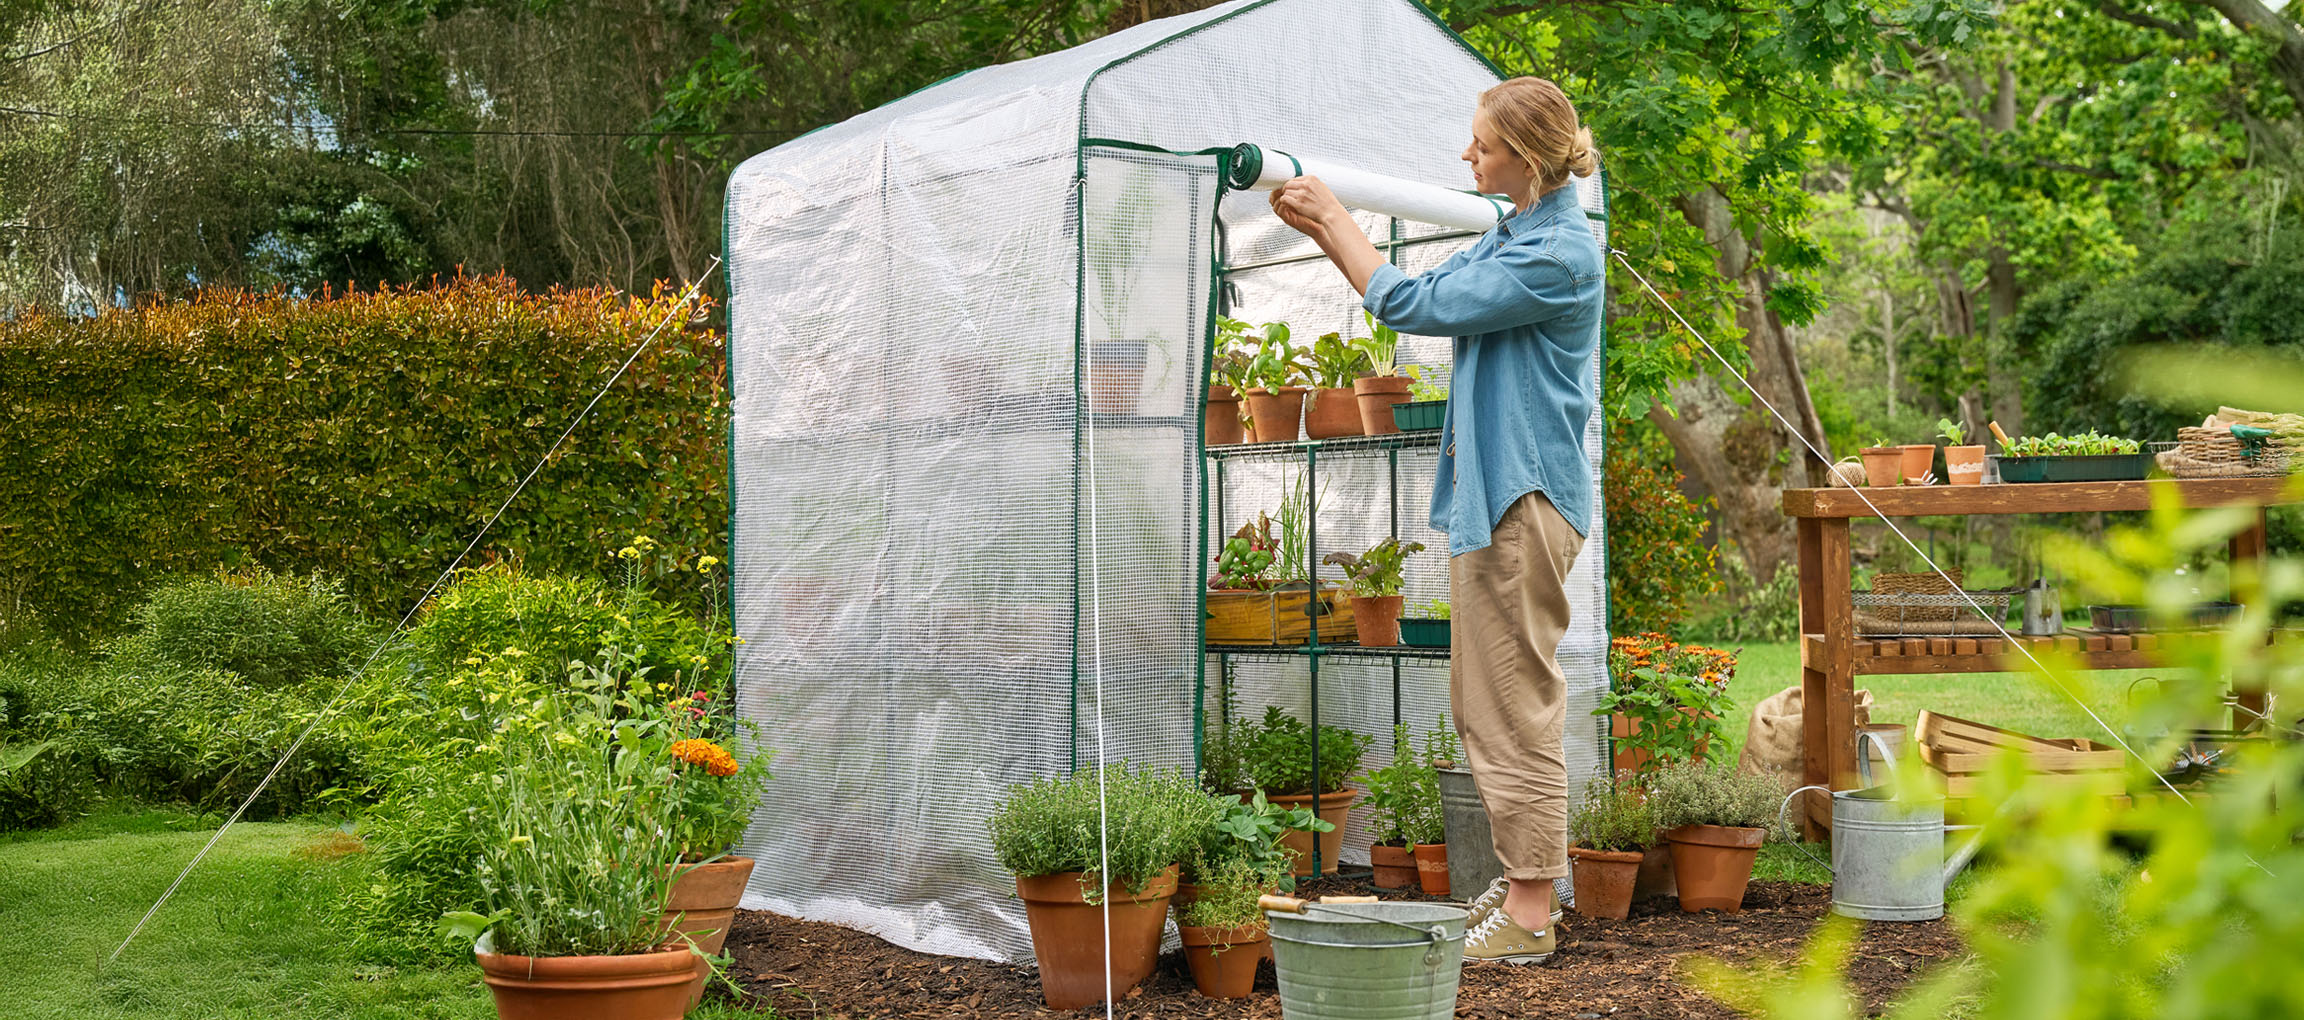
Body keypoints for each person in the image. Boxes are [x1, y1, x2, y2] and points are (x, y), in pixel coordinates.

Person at [1267, 76, 1603, 964]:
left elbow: (1408, 306)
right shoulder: (1513, 233)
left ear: (1524, 158)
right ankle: (1523, 880)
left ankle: (1532, 912)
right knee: (1480, 701)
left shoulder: (1560, 254)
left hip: (1522, 501)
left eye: (1481, 144)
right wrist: (1334, 233)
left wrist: (1338, 222)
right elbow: (1411, 285)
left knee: (1510, 704)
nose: (1466, 156)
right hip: (1497, 499)